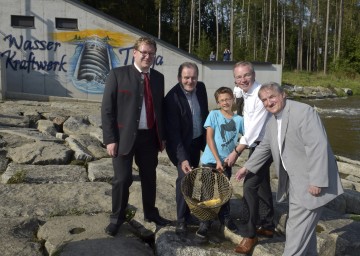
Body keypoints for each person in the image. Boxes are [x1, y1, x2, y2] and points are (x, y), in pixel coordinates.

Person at [234, 82, 344, 255]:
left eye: (272, 97)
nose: (268, 102)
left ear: (283, 95)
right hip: (295, 183)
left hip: (310, 184)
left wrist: (317, 180)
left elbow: (318, 147)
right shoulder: (272, 120)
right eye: (264, 100)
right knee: (304, 234)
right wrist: (247, 167)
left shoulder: (303, 112)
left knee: (294, 233)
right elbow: (265, 146)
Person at [101, 36, 170, 237]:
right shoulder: (117, 75)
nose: (148, 57)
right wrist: (110, 139)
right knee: (122, 180)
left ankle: (150, 213)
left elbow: (160, 109)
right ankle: (117, 218)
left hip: (149, 138)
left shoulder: (158, 78)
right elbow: (107, 110)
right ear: (134, 52)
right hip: (123, 138)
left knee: (150, 177)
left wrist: (162, 136)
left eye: (151, 54)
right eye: (144, 52)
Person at [226, 61, 275, 254]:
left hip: (266, 145)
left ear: (254, 75)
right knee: (262, 183)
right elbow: (237, 92)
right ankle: (269, 225)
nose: (243, 79)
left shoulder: (260, 95)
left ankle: (250, 234)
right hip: (257, 145)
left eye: (246, 75)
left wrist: (235, 152)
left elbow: (252, 131)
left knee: (249, 186)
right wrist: (235, 91)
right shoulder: (242, 91)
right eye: (238, 77)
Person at [164, 62, 209, 234]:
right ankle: (181, 220)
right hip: (180, 144)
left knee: (193, 177)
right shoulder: (171, 98)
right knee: (184, 178)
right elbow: (173, 133)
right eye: (186, 77)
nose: (190, 81)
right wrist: (182, 158)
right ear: (179, 78)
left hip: (197, 141)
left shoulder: (202, 88)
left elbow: (205, 115)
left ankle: (190, 213)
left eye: (193, 77)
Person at [196, 87, 244, 239]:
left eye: (228, 99)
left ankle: (225, 217)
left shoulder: (239, 120)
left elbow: (246, 139)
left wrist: (235, 154)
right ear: (218, 102)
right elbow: (209, 138)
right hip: (211, 160)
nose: (225, 102)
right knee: (207, 190)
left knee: (224, 190)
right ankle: (205, 221)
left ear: (233, 100)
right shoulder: (213, 114)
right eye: (222, 100)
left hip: (227, 163)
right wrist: (217, 160)